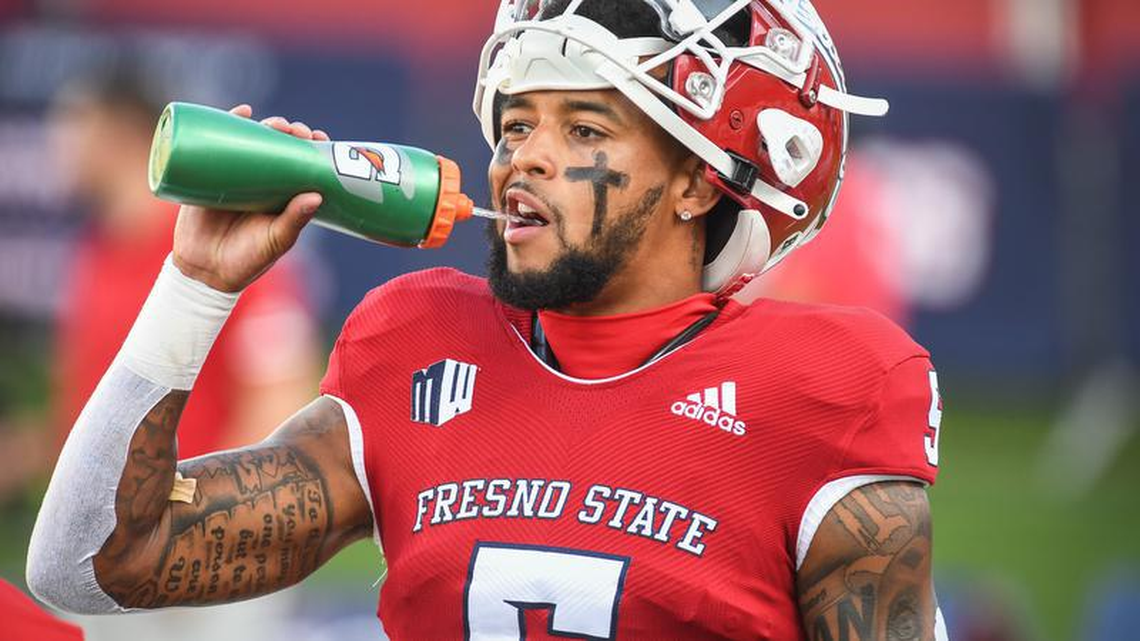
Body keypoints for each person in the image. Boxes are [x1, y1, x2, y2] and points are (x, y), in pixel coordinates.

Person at [27, 1, 948, 638]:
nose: (524, 160)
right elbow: (91, 561)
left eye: (584, 131)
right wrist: (194, 285)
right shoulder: (417, 346)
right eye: (516, 124)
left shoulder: (830, 390)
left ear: (699, 181)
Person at [33, 66, 321, 640]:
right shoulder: (94, 254)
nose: (53, 143)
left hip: (206, 559)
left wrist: (200, 526)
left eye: (71, 124)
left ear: (118, 132)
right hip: (101, 552)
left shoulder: (224, 242)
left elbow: (281, 398)